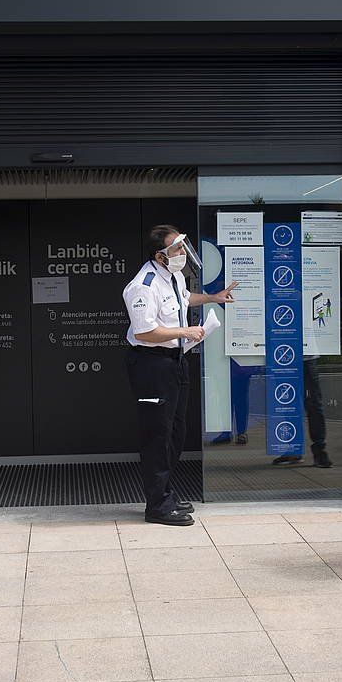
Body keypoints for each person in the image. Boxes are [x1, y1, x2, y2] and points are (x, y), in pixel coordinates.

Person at [123, 225, 236, 525]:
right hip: (152, 365)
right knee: (157, 435)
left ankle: (166, 495)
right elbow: (145, 331)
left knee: (175, 432)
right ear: (160, 256)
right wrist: (184, 331)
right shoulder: (143, 285)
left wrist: (214, 297)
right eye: (177, 249)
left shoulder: (172, 277)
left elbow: (185, 298)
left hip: (175, 361)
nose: (183, 254)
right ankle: (157, 506)